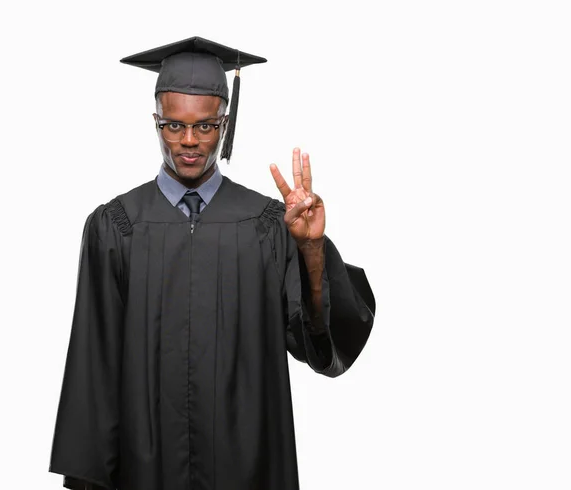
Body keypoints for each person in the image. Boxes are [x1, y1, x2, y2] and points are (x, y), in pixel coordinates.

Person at [48, 36, 376, 490]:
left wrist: (311, 250)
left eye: (205, 127)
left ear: (225, 123)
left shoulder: (268, 226)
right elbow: (93, 365)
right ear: (155, 121)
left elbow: (320, 345)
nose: (188, 141)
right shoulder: (115, 226)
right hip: (144, 469)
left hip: (248, 465)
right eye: (173, 125)